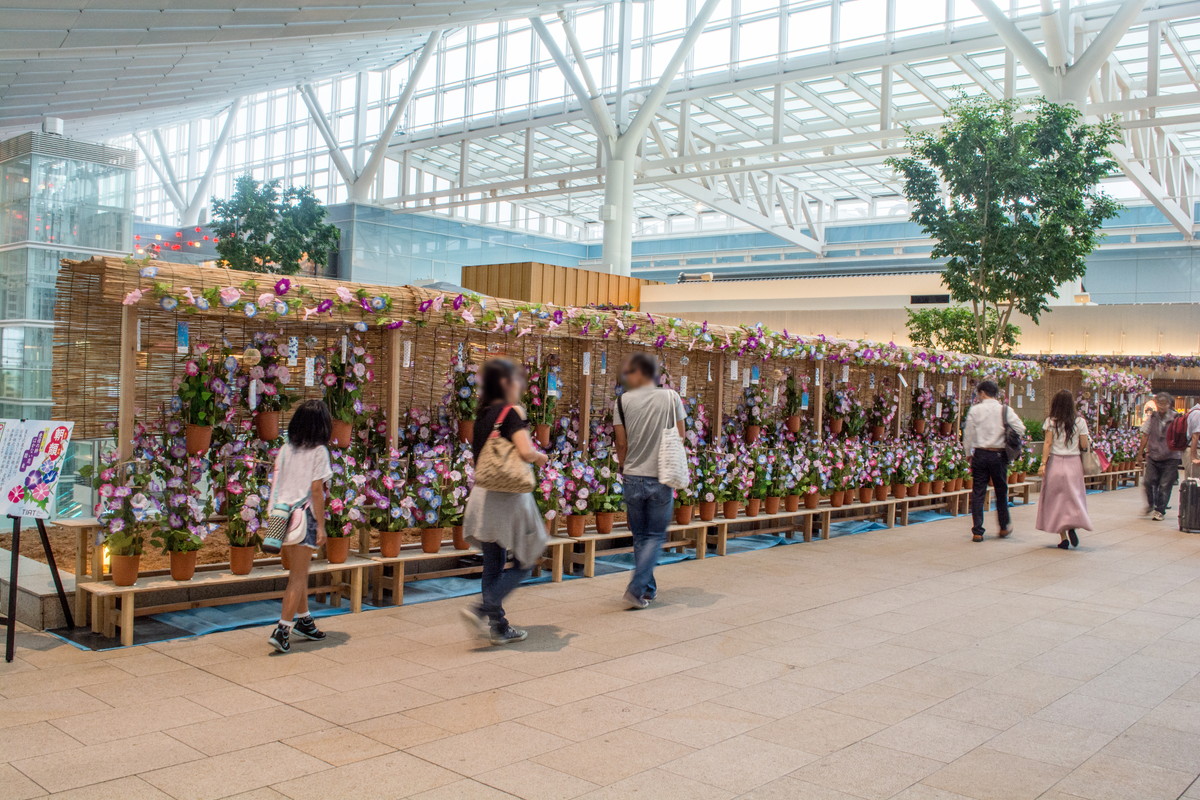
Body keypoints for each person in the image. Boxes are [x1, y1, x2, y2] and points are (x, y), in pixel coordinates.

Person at [461, 358, 548, 645]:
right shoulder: (512, 412)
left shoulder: (483, 414)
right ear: (507, 383)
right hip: (508, 498)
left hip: (483, 496)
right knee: (527, 556)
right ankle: (484, 608)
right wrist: (540, 456)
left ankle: (498, 626)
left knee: (493, 562)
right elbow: (524, 452)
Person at [614, 352, 685, 609]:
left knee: (641, 536)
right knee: (654, 536)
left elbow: (621, 443)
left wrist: (624, 465)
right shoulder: (671, 396)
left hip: (632, 476)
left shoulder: (622, 401)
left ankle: (647, 589)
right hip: (661, 475)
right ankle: (636, 588)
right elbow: (681, 435)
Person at [268, 399, 333, 654]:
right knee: (298, 577)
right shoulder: (319, 452)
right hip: (304, 517)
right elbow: (316, 491)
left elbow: (276, 483)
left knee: (297, 571)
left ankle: (304, 621)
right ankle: (282, 629)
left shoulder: (285, 450)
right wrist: (321, 526)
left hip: (280, 517)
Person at [962, 380, 1026, 543]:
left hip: (980, 454)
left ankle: (978, 531)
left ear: (983, 393)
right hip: (998, 455)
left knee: (978, 492)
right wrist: (1005, 433)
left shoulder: (975, 410)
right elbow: (1020, 428)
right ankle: (1003, 527)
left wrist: (968, 453)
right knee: (1001, 490)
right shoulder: (1005, 410)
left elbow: (968, 433)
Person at [1036, 390, 1093, 549]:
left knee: (1056, 500)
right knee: (1074, 497)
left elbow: (1047, 444)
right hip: (1073, 463)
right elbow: (1083, 445)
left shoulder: (1050, 421)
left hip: (1055, 462)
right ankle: (1072, 525)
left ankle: (1063, 537)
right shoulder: (1080, 422)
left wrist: (1043, 464)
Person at [1139, 392, 1180, 521]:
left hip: (1171, 456)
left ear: (1170, 404)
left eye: (1165, 404)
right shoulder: (1152, 417)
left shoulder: (1176, 418)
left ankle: (1160, 510)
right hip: (1153, 455)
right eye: (1160, 403)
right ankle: (1151, 504)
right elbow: (1145, 434)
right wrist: (1140, 453)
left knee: (1165, 484)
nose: (1162, 406)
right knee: (1148, 481)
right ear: (1156, 404)